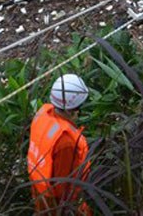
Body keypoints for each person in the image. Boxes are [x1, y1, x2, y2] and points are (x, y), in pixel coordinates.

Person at [28, 74, 92, 215]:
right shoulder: (66, 142)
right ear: (70, 110)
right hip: (55, 203)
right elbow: (64, 188)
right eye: (79, 108)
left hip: (38, 188)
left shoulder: (44, 115)